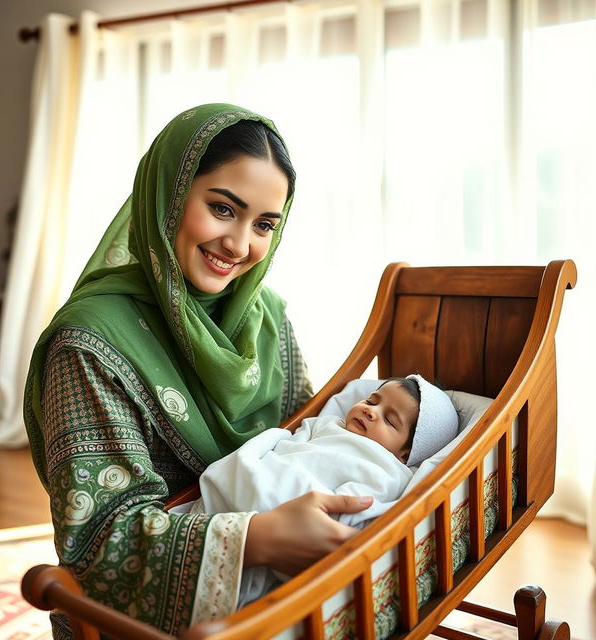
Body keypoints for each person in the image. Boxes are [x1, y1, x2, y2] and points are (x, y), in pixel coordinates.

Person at [23, 103, 376, 639]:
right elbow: (98, 541)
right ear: (167, 194)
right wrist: (256, 537)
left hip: (290, 595)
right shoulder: (90, 341)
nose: (238, 246)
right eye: (222, 208)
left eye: (263, 225)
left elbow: (307, 436)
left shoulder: (266, 318)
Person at [185, 374, 459, 606]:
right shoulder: (325, 424)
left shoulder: (387, 469)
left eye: (389, 420)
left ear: (405, 453)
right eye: (372, 400)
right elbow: (288, 443)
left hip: (300, 511)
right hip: (269, 478)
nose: (370, 411)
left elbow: (357, 506)